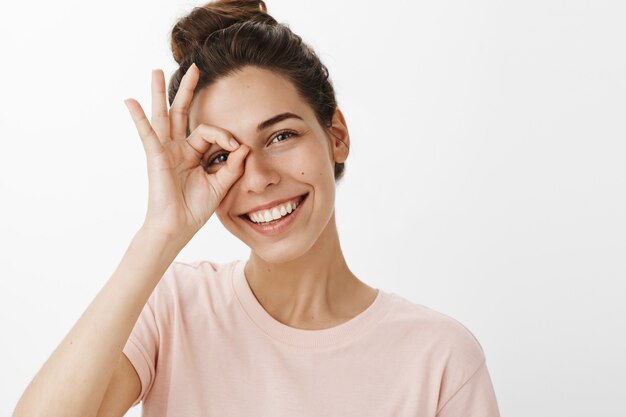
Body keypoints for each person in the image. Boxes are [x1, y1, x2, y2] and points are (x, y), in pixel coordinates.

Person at [12, 1, 501, 416]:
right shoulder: (174, 308)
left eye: (281, 135)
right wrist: (158, 235)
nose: (259, 177)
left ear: (337, 136)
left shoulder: (440, 358)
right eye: (222, 156)